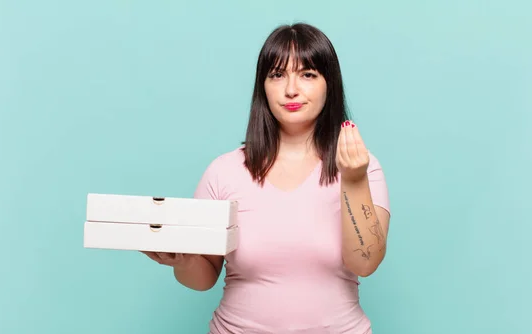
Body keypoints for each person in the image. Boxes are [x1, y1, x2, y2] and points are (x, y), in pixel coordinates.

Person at [142, 22, 391, 334]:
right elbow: (204, 277)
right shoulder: (223, 171)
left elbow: (365, 262)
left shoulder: (361, 167)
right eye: (277, 74)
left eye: (308, 74)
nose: (291, 89)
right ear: (263, 86)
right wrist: (180, 260)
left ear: (330, 84)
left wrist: (353, 180)